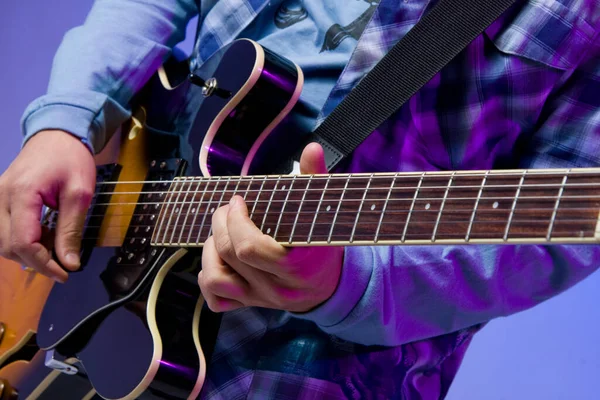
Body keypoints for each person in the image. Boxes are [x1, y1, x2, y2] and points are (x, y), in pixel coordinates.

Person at [1, 0, 600, 398]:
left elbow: (546, 237)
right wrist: (68, 115)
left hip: (328, 369)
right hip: (107, 281)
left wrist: (344, 281)